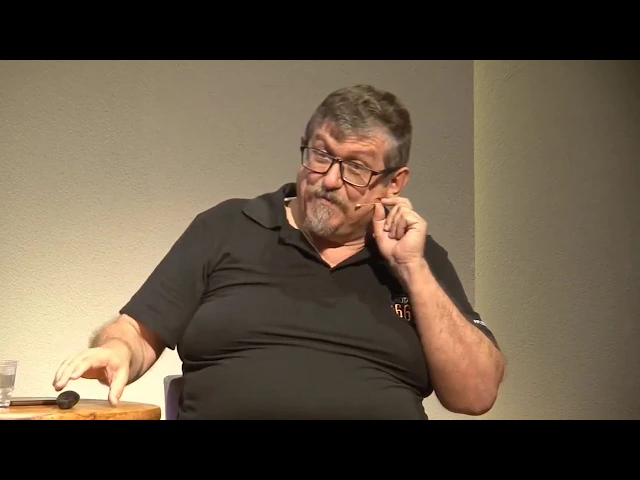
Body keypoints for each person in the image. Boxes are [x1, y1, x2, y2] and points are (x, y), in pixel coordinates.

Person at [53, 84, 505, 419]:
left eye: (355, 168)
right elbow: (136, 330)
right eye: (321, 155)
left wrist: (412, 269)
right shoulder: (227, 226)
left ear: (393, 183)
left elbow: (476, 395)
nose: (329, 180)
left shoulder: (416, 257)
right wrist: (117, 350)